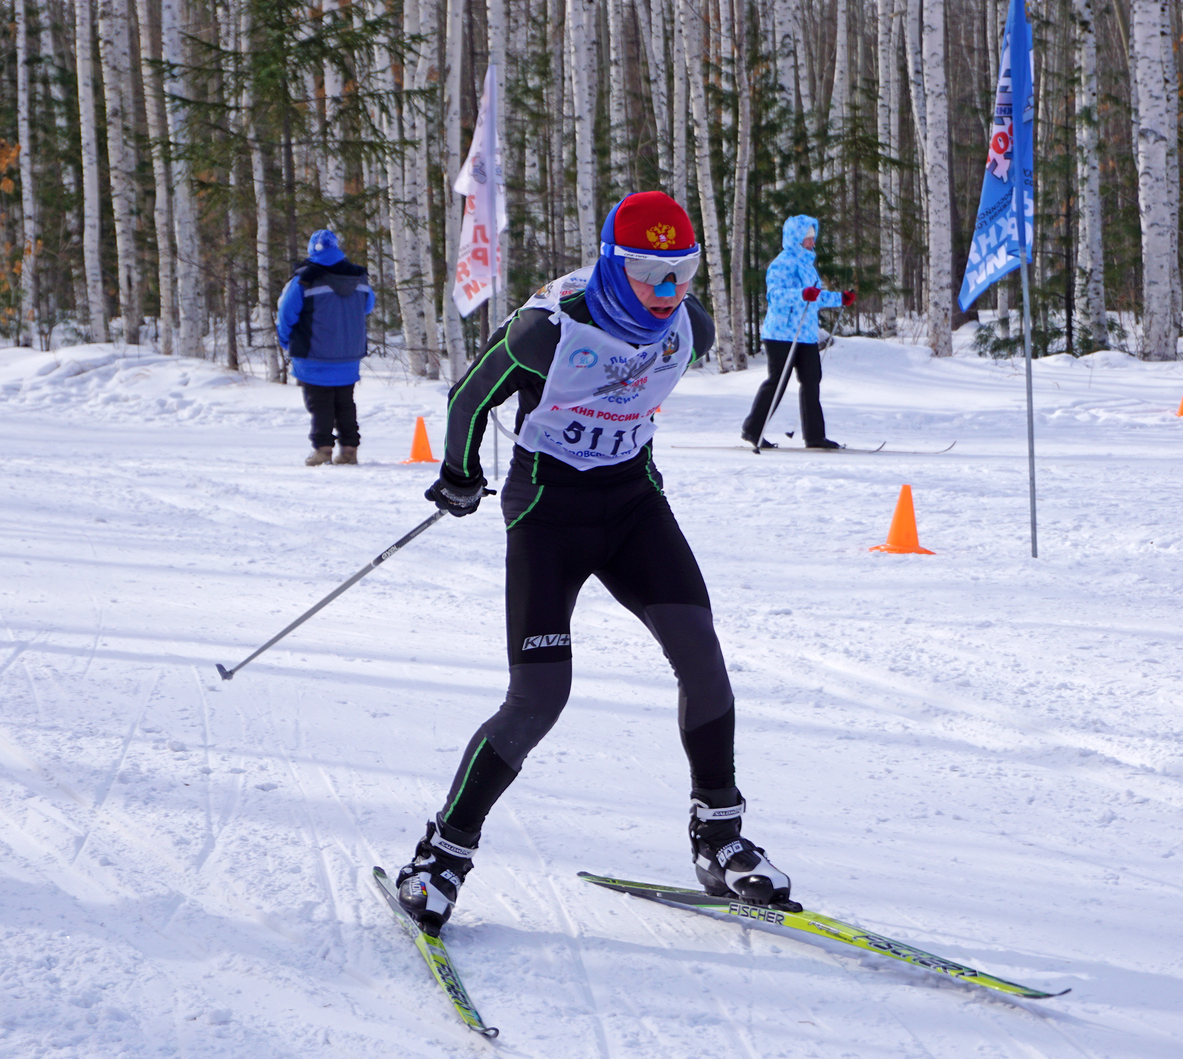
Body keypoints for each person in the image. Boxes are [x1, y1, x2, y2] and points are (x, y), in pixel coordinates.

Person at [395, 191, 796, 937]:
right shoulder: (548, 329)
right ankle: (441, 856)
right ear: (613, 263)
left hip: (632, 504)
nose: (668, 291)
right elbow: (469, 397)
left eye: (683, 271)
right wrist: (457, 475)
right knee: (539, 697)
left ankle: (720, 837)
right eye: (650, 272)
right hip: (547, 511)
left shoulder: (691, 327)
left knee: (704, 663)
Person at [740, 215, 855, 449]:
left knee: (812, 380)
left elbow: (815, 296)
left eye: (813, 238)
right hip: (781, 333)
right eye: (808, 239)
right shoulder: (781, 263)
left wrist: (839, 298)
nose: (812, 242)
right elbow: (776, 296)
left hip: (805, 333)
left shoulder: (807, 265)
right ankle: (753, 429)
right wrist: (801, 294)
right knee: (778, 382)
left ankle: (814, 436)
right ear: (796, 239)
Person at [275, 229, 376, 466]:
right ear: (337, 248)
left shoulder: (304, 278)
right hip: (349, 355)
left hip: (313, 353)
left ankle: (323, 450)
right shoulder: (358, 277)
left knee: (319, 404)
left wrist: (285, 340)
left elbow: (286, 314)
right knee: (345, 402)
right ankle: (349, 450)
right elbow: (368, 306)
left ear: (311, 250)